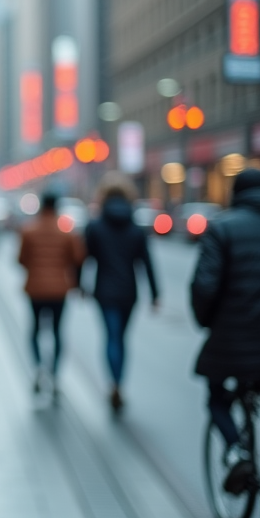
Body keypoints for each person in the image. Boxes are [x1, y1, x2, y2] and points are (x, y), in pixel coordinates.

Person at [190, 168, 260, 493]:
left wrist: (206, 321)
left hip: (232, 340)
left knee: (217, 399)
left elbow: (204, 287)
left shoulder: (222, 229)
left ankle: (237, 451)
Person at [83, 174, 159, 412]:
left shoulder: (94, 226)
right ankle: (119, 383)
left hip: (104, 291)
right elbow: (147, 262)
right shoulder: (136, 228)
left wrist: (77, 283)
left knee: (111, 337)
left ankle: (114, 383)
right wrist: (156, 294)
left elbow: (84, 258)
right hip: (129, 292)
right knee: (122, 339)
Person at [18, 192, 85, 400]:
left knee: (35, 329)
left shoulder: (29, 230)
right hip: (59, 290)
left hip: (35, 289)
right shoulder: (66, 232)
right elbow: (78, 258)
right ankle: (55, 374)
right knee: (57, 331)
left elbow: (21, 259)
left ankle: (38, 368)